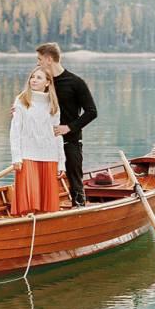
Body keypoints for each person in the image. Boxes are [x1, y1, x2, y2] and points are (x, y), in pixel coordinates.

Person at [35, 42, 97, 206]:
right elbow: (31, 105)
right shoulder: (43, 83)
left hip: (70, 142)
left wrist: (68, 127)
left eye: (39, 59)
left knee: (75, 183)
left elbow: (92, 112)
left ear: (49, 59)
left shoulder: (76, 83)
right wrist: (19, 109)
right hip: (45, 143)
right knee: (43, 181)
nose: (37, 63)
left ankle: (79, 210)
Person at [9, 66, 66, 215]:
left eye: (39, 77)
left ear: (47, 83)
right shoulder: (21, 100)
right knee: (28, 202)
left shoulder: (53, 104)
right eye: (32, 77)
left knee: (46, 205)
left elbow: (57, 134)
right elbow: (15, 131)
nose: (33, 80)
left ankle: (44, 229)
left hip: (49, 155)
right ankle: (24, 228)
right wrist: (16, 157)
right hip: (27, 156)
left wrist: (62, 161)